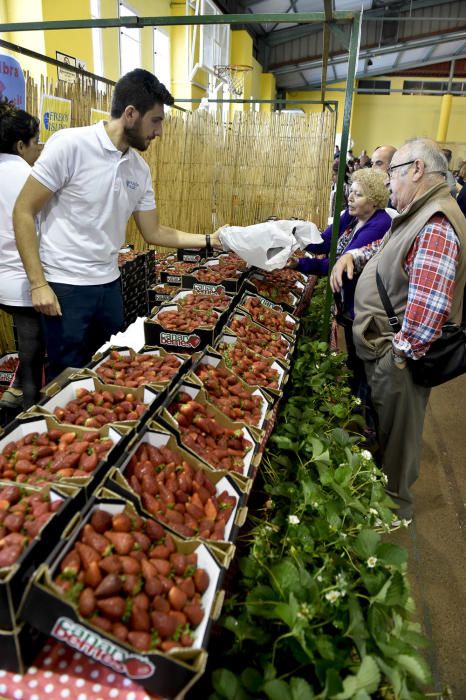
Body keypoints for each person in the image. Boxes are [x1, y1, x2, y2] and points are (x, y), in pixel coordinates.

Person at [13, 69, 222, 381]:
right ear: (130, 114)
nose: (160, 131)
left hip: (110, 285)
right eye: (156, 120)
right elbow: (23, 211)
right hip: (66, 286)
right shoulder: (70, 146)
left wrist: (210, 240)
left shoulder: (139, 170)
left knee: (111, 370)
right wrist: (38, 283)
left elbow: (155, 232)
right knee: (65, 376)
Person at [330, 138, 466, 524]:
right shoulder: (415, 213)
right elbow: (385, 250)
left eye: (392, 174)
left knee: (402, 435)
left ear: (417, 171)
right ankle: (387, 490)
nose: (388, 184)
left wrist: (398, 356)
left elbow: (429, 308)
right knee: (389, 427)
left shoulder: (437, 222)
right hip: (388, 349)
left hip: (400, 357)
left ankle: (395, 508)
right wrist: (352, 255)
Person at [293, 168, 391, 405]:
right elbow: (323, 242)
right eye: (351, 192)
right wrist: (292, 234)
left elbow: (338, 266)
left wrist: (298, 263)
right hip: (348, 300)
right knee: (354, 357)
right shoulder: (352, 215)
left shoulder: (379, 224)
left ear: (375, 200)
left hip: (364, 303)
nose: (350, 198)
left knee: (364, 361)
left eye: (358, 194)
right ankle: (356, 400)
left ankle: (364, 414)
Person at [0, 102, 44, 410]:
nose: (38, 149)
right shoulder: (29, 178)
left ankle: (13, 390)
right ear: (20, 144)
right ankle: (27, 421)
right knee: (32, 359)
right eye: (35, 142)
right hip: (22, 285)